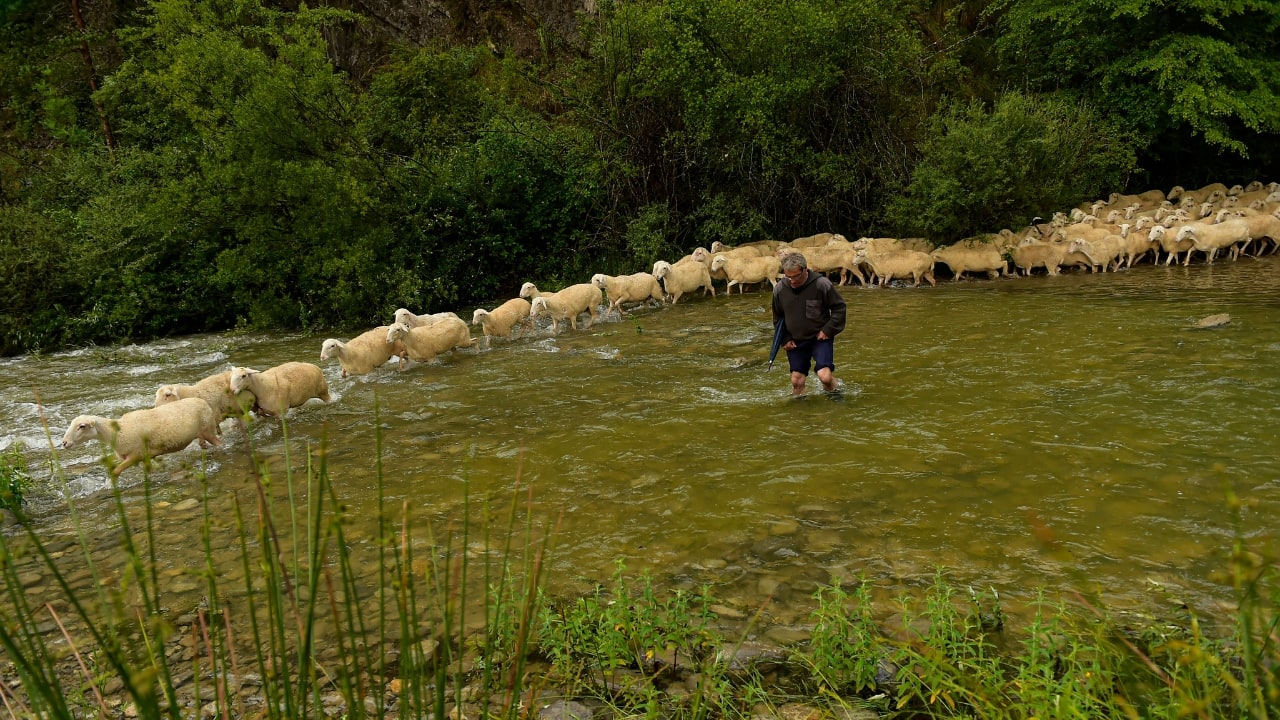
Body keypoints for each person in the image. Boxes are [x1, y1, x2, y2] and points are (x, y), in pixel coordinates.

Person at [772, 252, 847, 396]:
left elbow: (839, 308)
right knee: (796, 381)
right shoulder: (780, 289)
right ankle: (801, 412)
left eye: (796, 276)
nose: (792, 281)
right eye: (788, 277)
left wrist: (828, 330)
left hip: (820, 338)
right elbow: (777, 317)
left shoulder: (821, 284)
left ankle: (835, 394)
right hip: (795, 341)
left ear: (805, 270)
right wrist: (785, 339)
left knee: (824, 377)